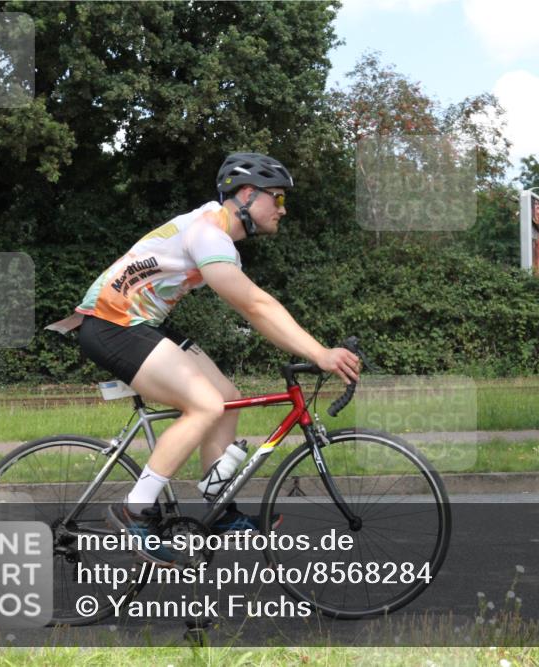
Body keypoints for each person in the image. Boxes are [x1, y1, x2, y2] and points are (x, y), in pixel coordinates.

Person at [48, 153, 360, 565]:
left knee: (226, 397)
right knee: (205, 404)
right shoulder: (208, 233)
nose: (283, 209)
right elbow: (255, 306)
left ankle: (219, 505)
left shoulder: (216, 236)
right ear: (247, 194)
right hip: (112, 324)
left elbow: (255, 306)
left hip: (139, 322)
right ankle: (133, 511)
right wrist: (319, 352)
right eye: (278, 198)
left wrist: (312, 349)